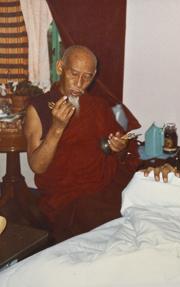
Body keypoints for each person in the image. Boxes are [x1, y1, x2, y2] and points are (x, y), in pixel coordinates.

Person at [24, 45, 140, 242]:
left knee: (140, 214)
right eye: (74, 74)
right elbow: (37, 166)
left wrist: (118, 148)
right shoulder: (39, 107)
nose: (79, 83)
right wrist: (57, 128)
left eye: (87, 77)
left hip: (105, 184)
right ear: (61, 67)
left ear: (94, 76)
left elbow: (119, 151)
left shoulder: (98, 106)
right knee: (109, 232)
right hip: (66, 195)